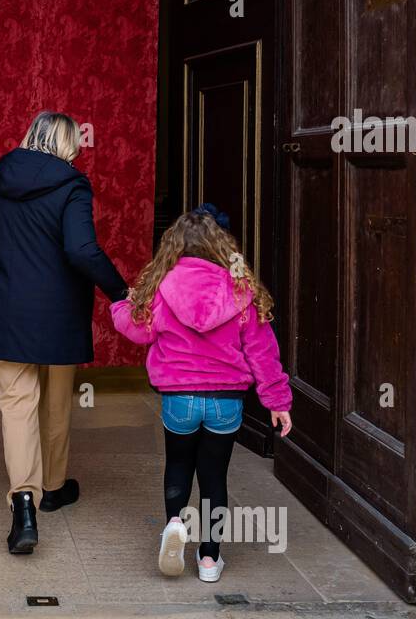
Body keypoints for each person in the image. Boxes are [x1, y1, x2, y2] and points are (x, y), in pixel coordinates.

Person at [109, 205, 292, 582]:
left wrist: (121, 304)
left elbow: (136, 328)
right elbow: (262, 352)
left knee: (178, 465)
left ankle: (175, 524)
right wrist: (277, 402)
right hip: (226, 400)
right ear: (221, 246)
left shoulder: (163, 285)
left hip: (179, 398)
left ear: (175, 246)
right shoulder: (241, 290)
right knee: (214, 477)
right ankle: (209, 560)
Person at [0, 111, 128, 554]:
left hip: (5, 309)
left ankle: (24, 503)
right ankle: (54, 487)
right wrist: (119, 291)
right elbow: (81, 250)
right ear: (65, 145)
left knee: (17, 404)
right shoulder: (72, 184)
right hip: (58, 311)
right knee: (58, 400)